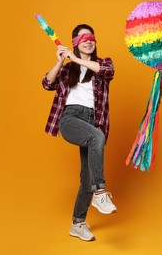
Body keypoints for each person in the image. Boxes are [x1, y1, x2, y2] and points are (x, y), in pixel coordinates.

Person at [41, 24, 117, 241]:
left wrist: (76, 60)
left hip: (94, 120)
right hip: (71, 119)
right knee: (98, 137)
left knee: (87, 179)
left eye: (91, 36)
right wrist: (60, 61)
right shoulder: (67, 69)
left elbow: (107, 72)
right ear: (75, 42)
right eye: (82, 37)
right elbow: (47, 83)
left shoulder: (103, 63)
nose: (88, 40)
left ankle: (77, 224)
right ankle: (100, 193)